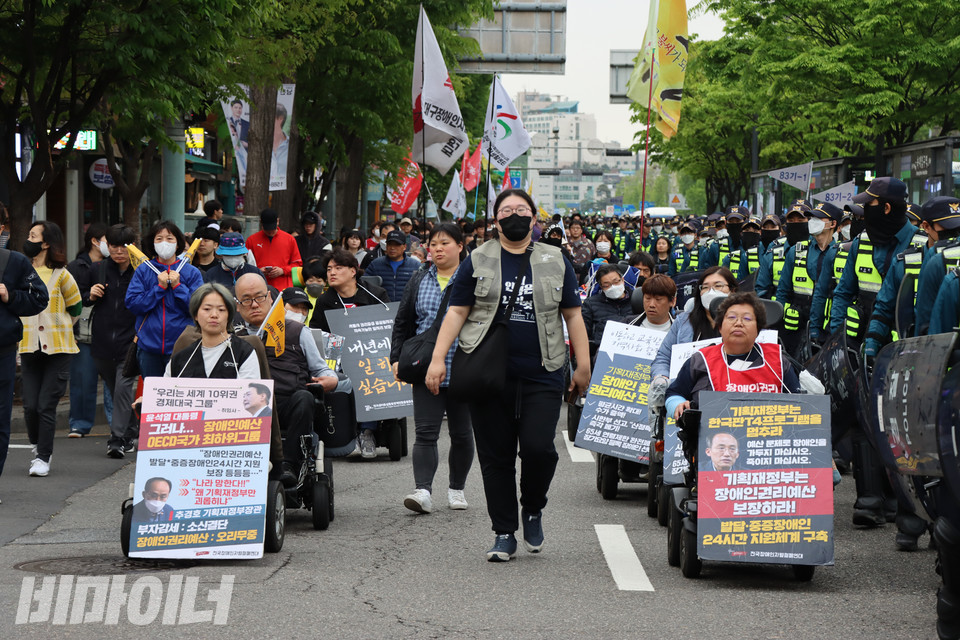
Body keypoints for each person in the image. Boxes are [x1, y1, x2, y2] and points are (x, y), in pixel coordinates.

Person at [425, 188, 591, 562]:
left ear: (534, 219)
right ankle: (504, 532)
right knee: (496, 457)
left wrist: (583, 365)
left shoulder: (555, 258)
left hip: (544, 372)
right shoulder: (477, 259)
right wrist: (439, 359)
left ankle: (532, 507)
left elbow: (573, 315)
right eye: (506, 210)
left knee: (539, 449)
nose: (514, 215)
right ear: (496, 219)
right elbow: (456, 313)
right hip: (488, 374)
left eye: (522, 210)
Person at [829, 177, 916, 530]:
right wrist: (836, 338)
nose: (864, 212)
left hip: (909, 348)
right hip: (865, 342)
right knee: (865, 419)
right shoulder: (860, 244)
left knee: (901, 421)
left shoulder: (917, 243)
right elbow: (842, 292)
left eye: (870, 205)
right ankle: (869, 500)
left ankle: (901, 500)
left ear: (888, 208)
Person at [391, 223, 474, 514]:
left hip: (463, 365)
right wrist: (396, 358)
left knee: (462, 433)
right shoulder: (418, 278)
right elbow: (403, 322)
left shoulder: (473, 278)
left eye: (445, 243)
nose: (437, 249)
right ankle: (423, 490)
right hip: (426, 366)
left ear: (461, 246)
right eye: (433, 244)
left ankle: (457, 489)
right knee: (425, 431)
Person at [234, 275, 342, 475]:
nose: (254, 305)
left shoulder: (297, 331)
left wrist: (331, 378)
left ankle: (288, 465)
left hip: (287, 405)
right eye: (246, 300)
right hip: (243, 409)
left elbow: (321, 369)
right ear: (238, 305)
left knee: (304, 398)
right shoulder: (231, 337)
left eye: (259, 297)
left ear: (270, 298)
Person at [666, 292, 801, 423]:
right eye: (731, 317)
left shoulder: (778, 362)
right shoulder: (700, 361)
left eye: (747, 319)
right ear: (720, 327)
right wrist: (678, 405)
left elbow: (800, 406)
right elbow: (673, 393)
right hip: (711, 442)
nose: (738, 323)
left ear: (758, 329)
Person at [20, 221, 82, 477]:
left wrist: (59, 327)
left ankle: (43, 458)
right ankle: (38, 446)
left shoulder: (62, 274)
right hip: (27, 347)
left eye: (33, 235)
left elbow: (76, 308)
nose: (29, 239)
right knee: (29, 406)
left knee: (46, 404)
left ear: (46, 243)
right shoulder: (21, 272)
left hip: (59, 350)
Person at [125, 220, 205, 378]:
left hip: (183, 346)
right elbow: (133, 304)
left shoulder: (191, 272)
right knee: (153, 395)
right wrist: (159, 288)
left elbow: (199, 307)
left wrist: (178, 287)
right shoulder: (143, 270)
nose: (164, 243)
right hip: (148, 348)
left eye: (169, 238)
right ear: (152, 244)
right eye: (159, 239)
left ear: (177, 244)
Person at [0, 238, 47, 492]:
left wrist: (10, 296)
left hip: (3, 352)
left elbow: (40, 298)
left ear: (1, 229)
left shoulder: (13, 261)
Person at [92, 225, 140, 458]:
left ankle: (116, 440)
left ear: (133, 247)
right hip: (101, 343)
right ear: (107, 246)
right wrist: (88, 295)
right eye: (114, 246)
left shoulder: (142, 272)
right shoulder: (98, 269)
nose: (119, 251)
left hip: (129, 342)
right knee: (117, 391)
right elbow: (77, 301)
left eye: (124, 246)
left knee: (122, 387)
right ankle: (131, 431)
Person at [774, 203, 840, 359]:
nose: (812, 221)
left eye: (819, 218)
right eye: (811, 218)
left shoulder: (841, 253)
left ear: (833, 223)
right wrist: (780, 320)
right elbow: (782, 291)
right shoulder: (796, 252)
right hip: (796, 325)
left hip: (828, 327)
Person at [651, 266, 738, 381]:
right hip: (685, 390)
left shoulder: (744, 323)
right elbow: (663, 357)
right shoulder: (683, 321)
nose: (711, 292)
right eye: (705, 287)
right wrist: (661, 377)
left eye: (718, 286)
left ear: (732, 291)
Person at [66, 222, 110, 437]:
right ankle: (79, 424)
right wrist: (88, 295)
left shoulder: (114, 266)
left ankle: (117, 427)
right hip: (82, 334)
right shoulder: (75, 267)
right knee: (82, 381)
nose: (112, 247)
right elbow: (67, 301)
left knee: (113, 385)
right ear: (94, 241)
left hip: (111, 334)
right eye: (107, 241)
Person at [309, 248, 388, 333]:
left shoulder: (376, 295)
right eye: (329, 269)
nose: (332, 273)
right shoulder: (324, 301)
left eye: (338, 268)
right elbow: (316, 333)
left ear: (353, 271)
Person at [245, 209, 302, 290]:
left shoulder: (289, 239)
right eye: (267, 229)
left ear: (278, 221)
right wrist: (258, 270)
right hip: (259, 287)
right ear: (261, 222)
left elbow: (297, 265)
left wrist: (282, 271)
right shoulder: (251, 240)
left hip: (284, 288)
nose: (270, 232)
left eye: (272, 228)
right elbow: (245, 265)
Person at [582, 264, 635, 344]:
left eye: (616, 282)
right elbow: (583, 333)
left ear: (623, 280)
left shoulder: (637, 300)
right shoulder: (590, 304)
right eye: (607, 285)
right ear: (601, 287)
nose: (613, 287)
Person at [363, 230, 419, 303]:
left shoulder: (415, 265)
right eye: (390, 244)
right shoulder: (375, 264)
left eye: (396, 244)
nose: (392, 248)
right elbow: (364, 285)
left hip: (407, 310)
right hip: (381, 308)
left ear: (404, 247)